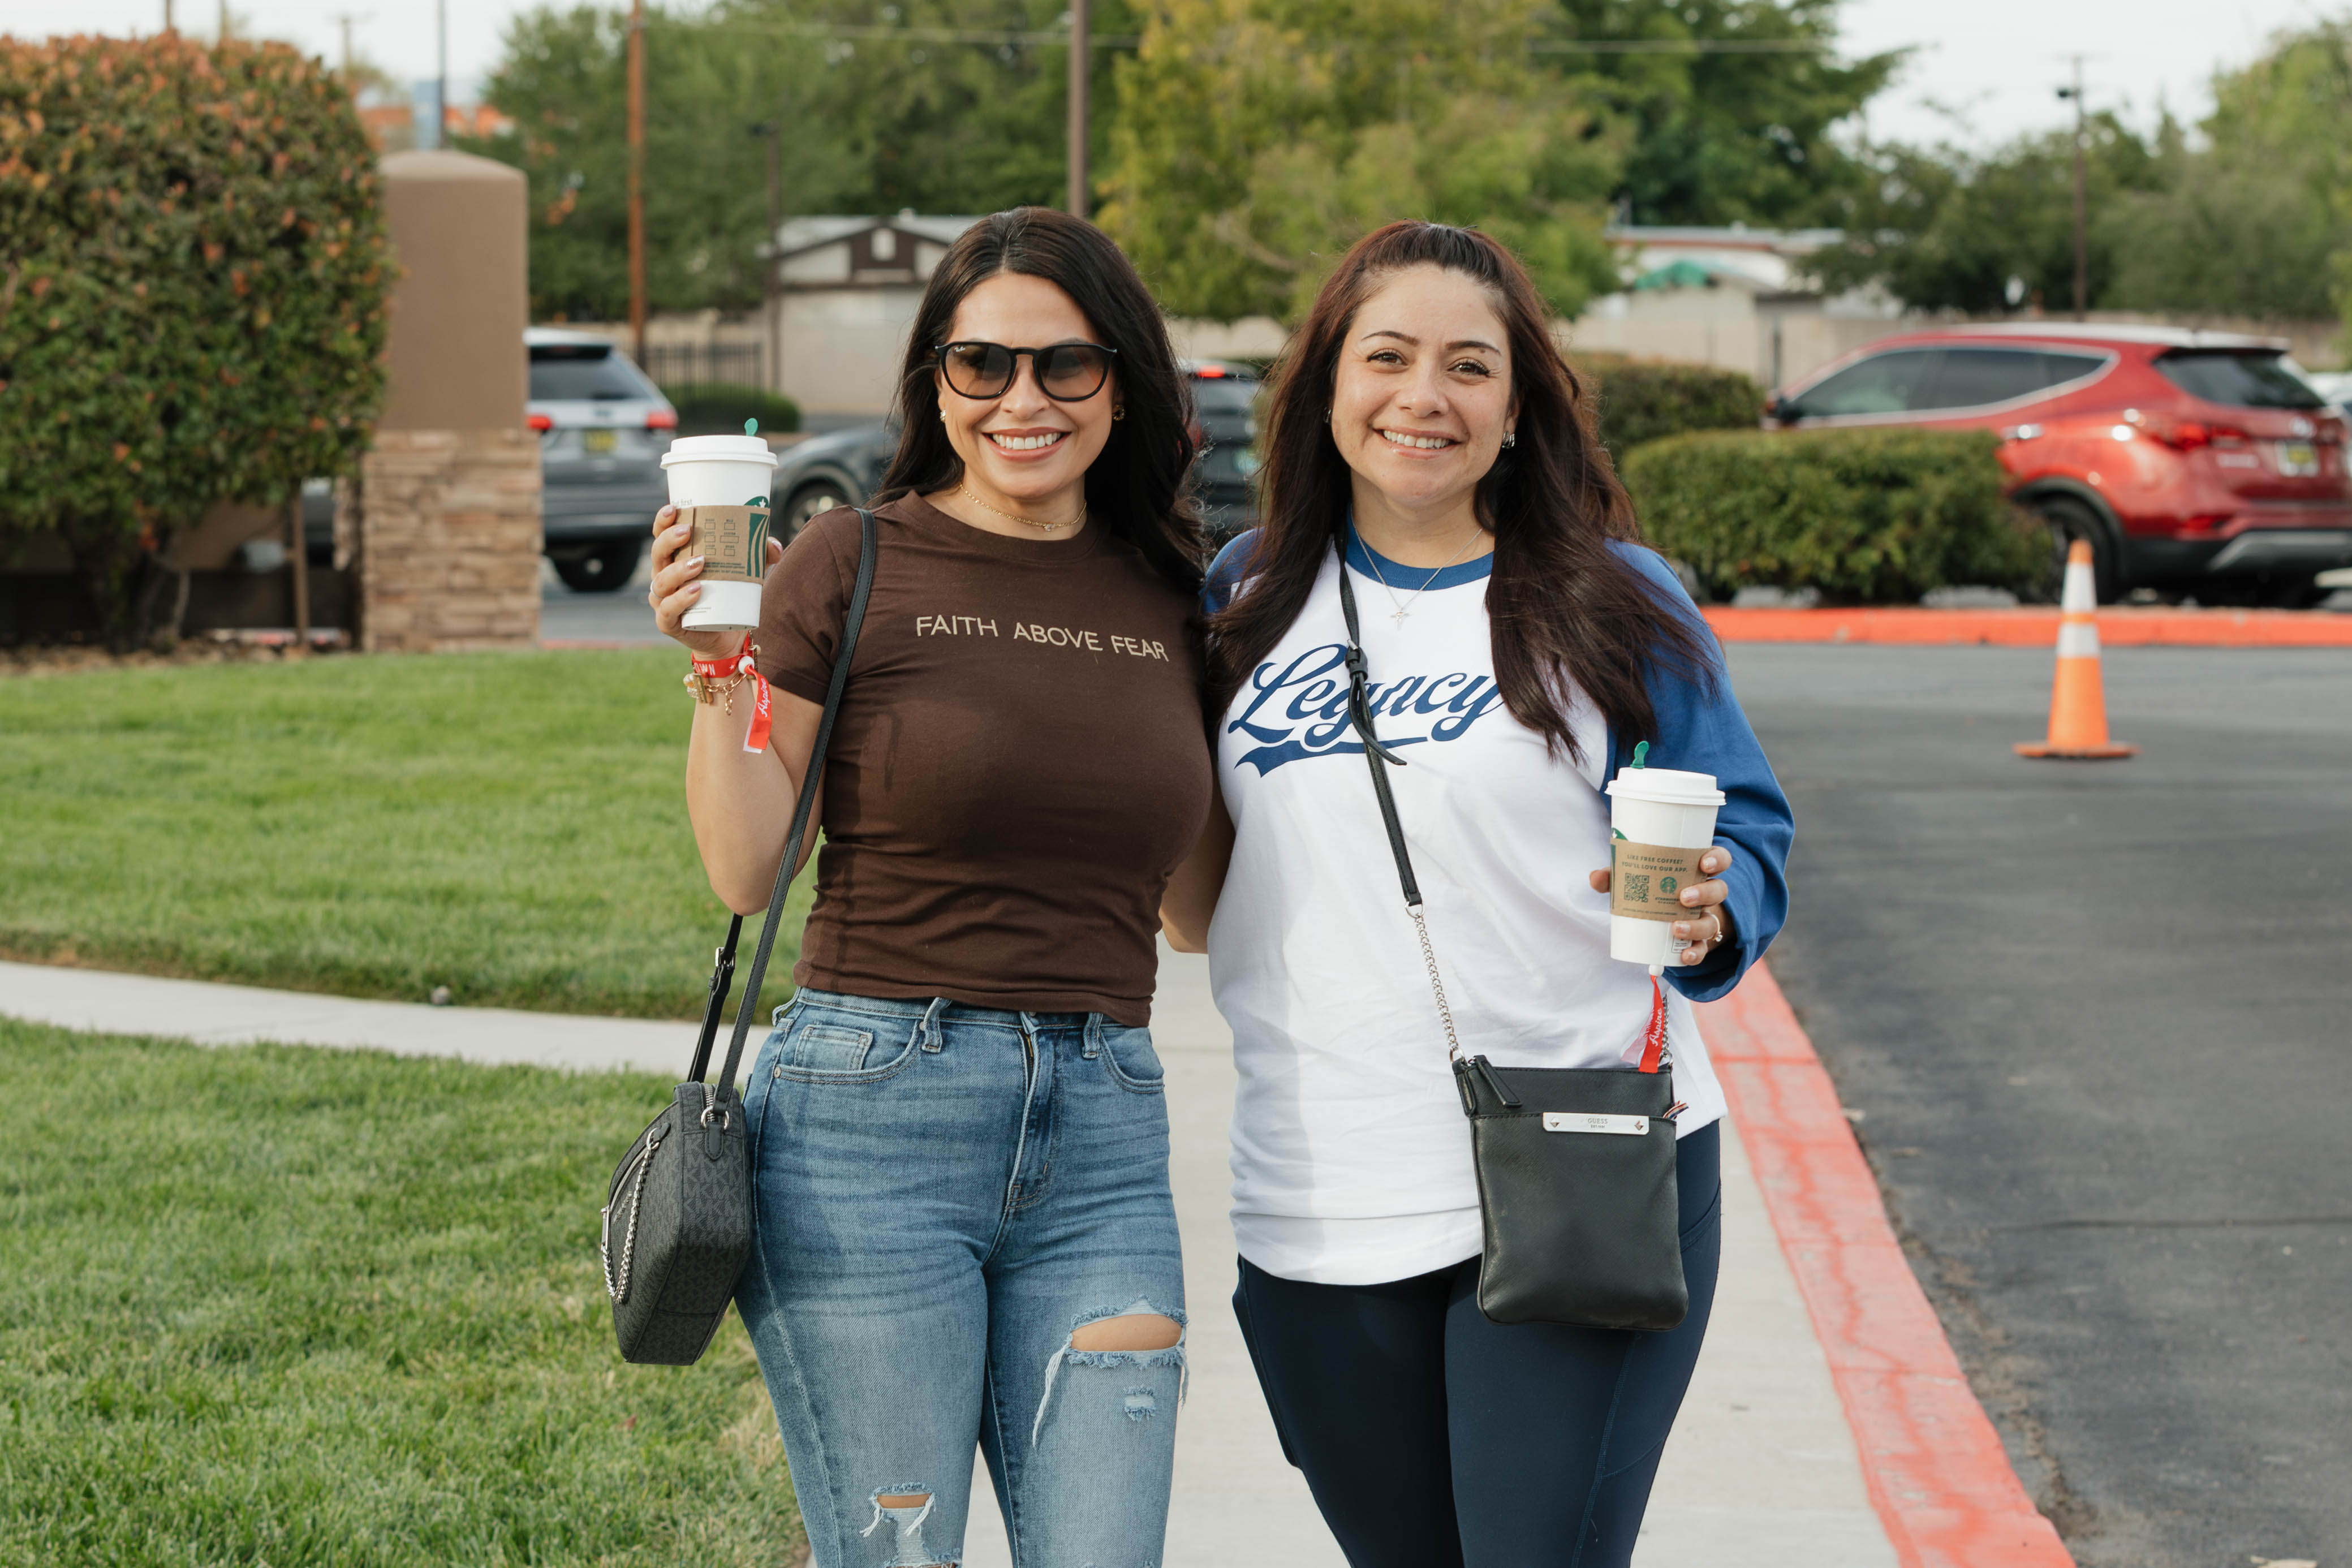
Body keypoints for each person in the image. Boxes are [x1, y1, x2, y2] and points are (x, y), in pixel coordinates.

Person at [1159, 221, 1795, 1568]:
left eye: (1469, 366)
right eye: (1386, 357)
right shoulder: (1247, 596)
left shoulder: (1611, 599)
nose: (1424, 396)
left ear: (1517, 409)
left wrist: (1713, 905)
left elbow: (1739, 824)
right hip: (1320, 1186)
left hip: (1580, 1161)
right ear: (1328, 390)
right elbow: (1201, 892)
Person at [649, 207, 1213, 1568]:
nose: (1023, 400)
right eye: (982, 367)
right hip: (868, 1126)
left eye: (1065, 366)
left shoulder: (1174, 595)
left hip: (1106, 1134)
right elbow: (746, 864)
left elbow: (1197, 908)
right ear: (936, 384)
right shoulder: (851, 562)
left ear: (1122, 382)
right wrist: (720, 658)